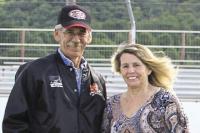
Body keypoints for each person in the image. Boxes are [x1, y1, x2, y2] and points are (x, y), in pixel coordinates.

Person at [3, 4, 107, 133]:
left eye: (82, 33)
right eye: (69, 32)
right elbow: (14, 124)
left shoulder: (98, 80)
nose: (76, 39)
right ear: (57, 34)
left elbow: (103, 126)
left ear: (89, 37)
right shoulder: (34, 72)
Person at [101, 43, 189, 133]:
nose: (131, 71)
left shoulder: (167, 101)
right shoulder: (111, 104)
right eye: (125, 66)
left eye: (136, 65)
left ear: (149, 69)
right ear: (120, 70)